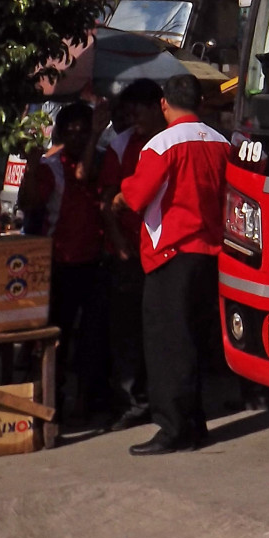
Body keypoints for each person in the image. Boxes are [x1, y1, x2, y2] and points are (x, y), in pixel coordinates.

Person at [115, 73, 229, 454]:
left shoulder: (161, 144)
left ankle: (172, 428)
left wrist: (119, 196)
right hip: (210, 254)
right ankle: (194, 424)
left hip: (172, 253)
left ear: (164, 103)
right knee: (193, 342)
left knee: (167, 346)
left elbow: (137, 195)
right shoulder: (220, 141)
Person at [19, 100, 111, 420]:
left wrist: (95, 135)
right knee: (56, 336)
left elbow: (86, 175)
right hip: (60, 263)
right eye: (70, 132)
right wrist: (31, 165)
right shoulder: (51, 167)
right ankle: (50, 399)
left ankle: (88, 401)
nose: (76, 138)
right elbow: (28, 202)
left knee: (93, 338)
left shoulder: (99, 161)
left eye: (83, 132)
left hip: (93, 263)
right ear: (59, 133)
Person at [96, 78, 164, 431]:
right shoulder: (121, 146)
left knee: (159, 332)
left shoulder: (170, 141)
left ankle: (159, 400)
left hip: (162, 253)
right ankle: (133, 402)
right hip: (129, 254)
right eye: (128, 112)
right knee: (126, 334)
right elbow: (107, 198)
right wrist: (119, 241)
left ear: (158, 108)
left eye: (138, 111)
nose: (132, 118)